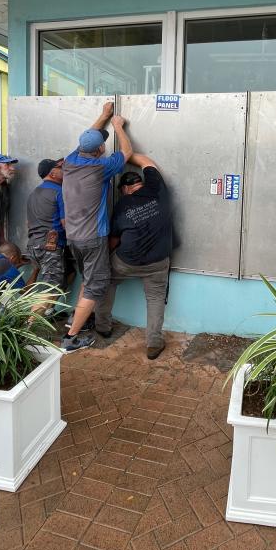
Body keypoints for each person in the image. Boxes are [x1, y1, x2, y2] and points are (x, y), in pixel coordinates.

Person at [60, 101, 132, 352]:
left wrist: (102, 116)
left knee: (87, 280)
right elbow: (127, 152)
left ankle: (75, 319)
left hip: (74, 238)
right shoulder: (100, 168)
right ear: (101, 148)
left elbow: (87, 140)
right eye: (102, 142)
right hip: (93, 238)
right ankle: (71, 337)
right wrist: (118, 127)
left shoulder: (70, 162)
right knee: (96, 284)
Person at [95, 154, 173, 360]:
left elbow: (114, 239)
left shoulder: (122, 206)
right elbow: (148, 162)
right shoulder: (157, 190)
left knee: (107, 281)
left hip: (126, 261)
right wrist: (130, 154)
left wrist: (122, 153)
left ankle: (103, 326)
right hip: (158, 262)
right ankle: (154, 342)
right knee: (155, 297)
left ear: (126, 189)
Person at [26, 157, 71, 314]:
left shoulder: (34, 193)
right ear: (53, 173)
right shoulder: (59, 192)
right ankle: (28, 328)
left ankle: (47, 313)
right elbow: (66, 224)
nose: (64, 171)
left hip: (34, 245)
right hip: (50, 247)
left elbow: (28, 223)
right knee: (49, 287)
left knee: (65, 275)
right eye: (61, 168)